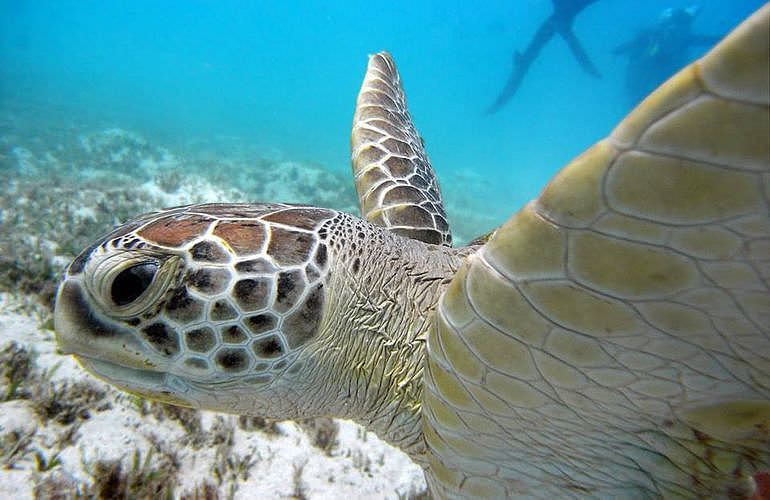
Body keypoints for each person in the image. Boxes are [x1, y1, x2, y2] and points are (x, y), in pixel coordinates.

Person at [487, 0, 601, 114]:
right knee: (556, 29)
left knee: (529, 57)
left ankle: (496, 106)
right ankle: (495, 107)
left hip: (559, 19)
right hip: (560, 18)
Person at [614, 6, 720, 106]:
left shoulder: (685, 38)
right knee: (638, 100)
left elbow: (711, 40)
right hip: (645, 79)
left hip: (666, 80)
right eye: (673, 30)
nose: (676, 33)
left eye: (682, 29)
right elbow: (627, 48)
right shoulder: (651, 37)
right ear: (665, 27)